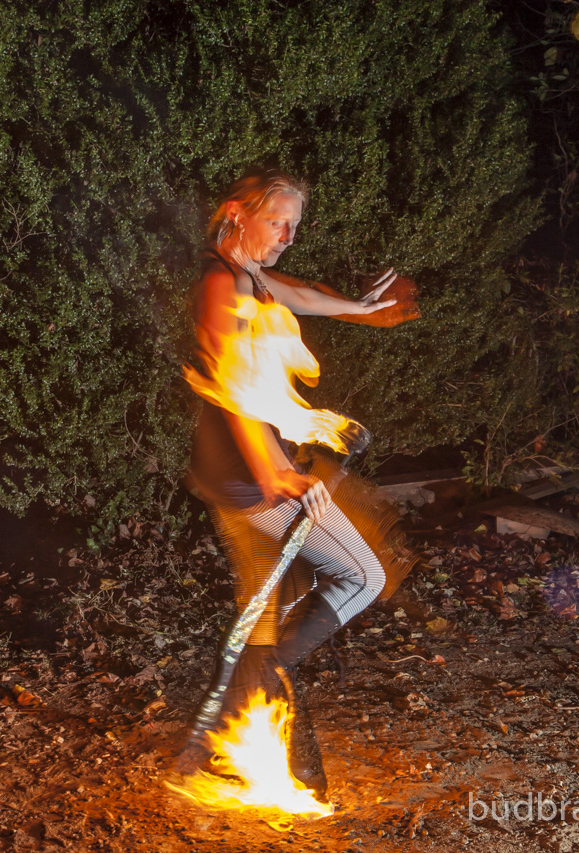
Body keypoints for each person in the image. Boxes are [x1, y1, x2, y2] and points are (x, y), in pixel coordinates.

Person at [184, 168, 403, 797]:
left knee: (270, 606)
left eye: (295, 225)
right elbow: (236, 387)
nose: (287, 235)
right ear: (237, 214)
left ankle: (217, 746)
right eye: (277, 221)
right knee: (362, 576)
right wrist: (274, 471)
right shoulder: (222, 284)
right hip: (247, 477)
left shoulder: (247, 273)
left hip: (235, 474)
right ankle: (264, 682)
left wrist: (360, 308)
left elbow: (301, 294)